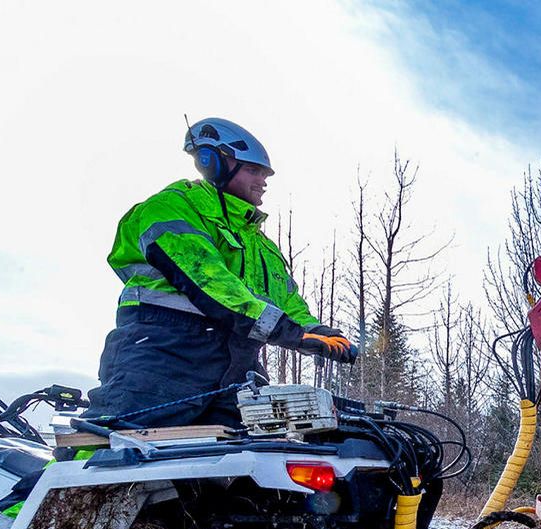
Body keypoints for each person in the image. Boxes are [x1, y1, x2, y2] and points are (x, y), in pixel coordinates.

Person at [88, 118, 353, 428]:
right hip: (162, 358)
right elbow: (207, 278)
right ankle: (45, 478)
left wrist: (316, 331)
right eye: (254, 171)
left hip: (237, 374)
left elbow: (287, 301)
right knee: (106, 449)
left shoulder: (262, 247)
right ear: (212, 163)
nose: (264, 181)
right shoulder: (174, 207)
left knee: (250, 463)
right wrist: (288, 333)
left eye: (265, 174)